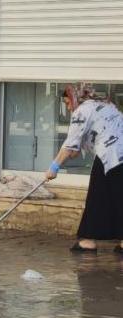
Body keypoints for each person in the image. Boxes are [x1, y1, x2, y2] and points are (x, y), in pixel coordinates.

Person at [46, 84, 123, 254]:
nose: (68, 107)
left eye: (67, 103)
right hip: (119, 154)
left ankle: (88, 241)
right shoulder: (104, 105)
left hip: (110, 156)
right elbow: (74, 149)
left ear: (75, 98)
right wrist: (69, 153)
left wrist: (54, 166)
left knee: (97, 197)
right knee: (119, 197)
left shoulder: (81, 111)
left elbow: (69, 145)